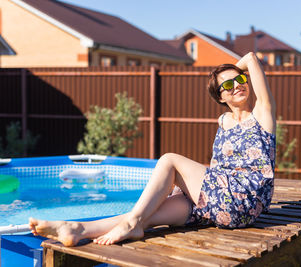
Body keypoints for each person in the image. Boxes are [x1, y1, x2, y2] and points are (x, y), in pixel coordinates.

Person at [29, 52, 276, 246]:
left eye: (240, 79)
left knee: (169, 159)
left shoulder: (262, 114)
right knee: (152, 211)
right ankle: (76, 230)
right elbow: (217, 168)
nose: (237, 85)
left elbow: (251, 59)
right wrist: (183, 189)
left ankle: (132, 224)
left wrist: (227, 71)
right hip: (219, 203)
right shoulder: (223, 122)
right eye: (228, 85)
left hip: (244, 201)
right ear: (220, 97)